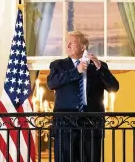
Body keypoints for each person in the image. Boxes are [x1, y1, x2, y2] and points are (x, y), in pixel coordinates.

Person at [47, 30, 119, 162]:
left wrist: (100, 68)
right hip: (65, 125)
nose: (67, 46)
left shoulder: (98, 66)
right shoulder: (58, 65)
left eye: (72, 43)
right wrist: (76, 71)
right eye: (67, 43)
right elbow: (51, 83)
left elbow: (114, 87)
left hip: (91, 125)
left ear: (83, 47)